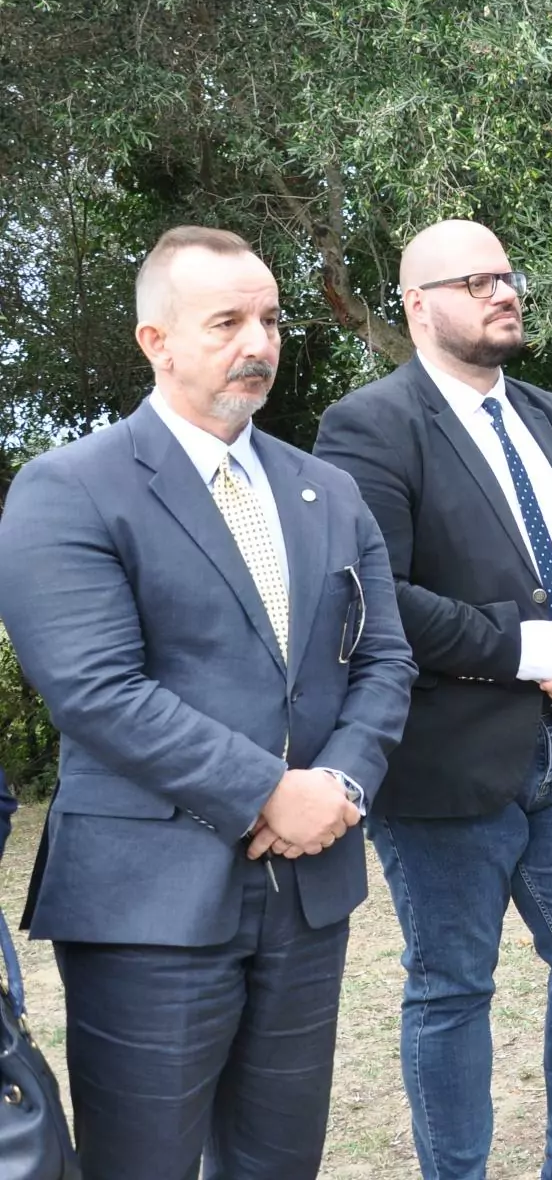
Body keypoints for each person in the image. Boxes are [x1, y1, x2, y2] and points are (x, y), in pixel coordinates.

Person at [0, 225, 414, 1179]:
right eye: (227, 322)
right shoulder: (69, 488)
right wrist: (271, 792)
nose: (258, 342)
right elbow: (96, 689)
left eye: (270, 320)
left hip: (307, 897)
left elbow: (384, 658)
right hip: (147, 904)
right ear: (157, 341)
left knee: (280, 1161)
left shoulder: (329, 491)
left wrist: (341, 785)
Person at [314, 218, 552, 1180]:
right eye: (476, 282)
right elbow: (375, 594)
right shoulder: (369, 425)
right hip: (446, 759)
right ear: (417, 306)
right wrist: (530, 649)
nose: (504, 292)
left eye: (508, 276)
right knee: (453, 987)